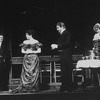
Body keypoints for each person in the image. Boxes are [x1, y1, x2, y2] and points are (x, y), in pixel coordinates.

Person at [51, 22, 73, 92]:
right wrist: (56, 47)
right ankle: (64, 87)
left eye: (57, 28)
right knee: (64, 72)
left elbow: (67, 43)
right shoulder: (63, 34)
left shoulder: (67, 33)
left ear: (62, 26)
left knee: (67, 71)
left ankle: (68, 88)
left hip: (66, 55)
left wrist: (57, 46)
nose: (57, 29)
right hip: (63, 55)